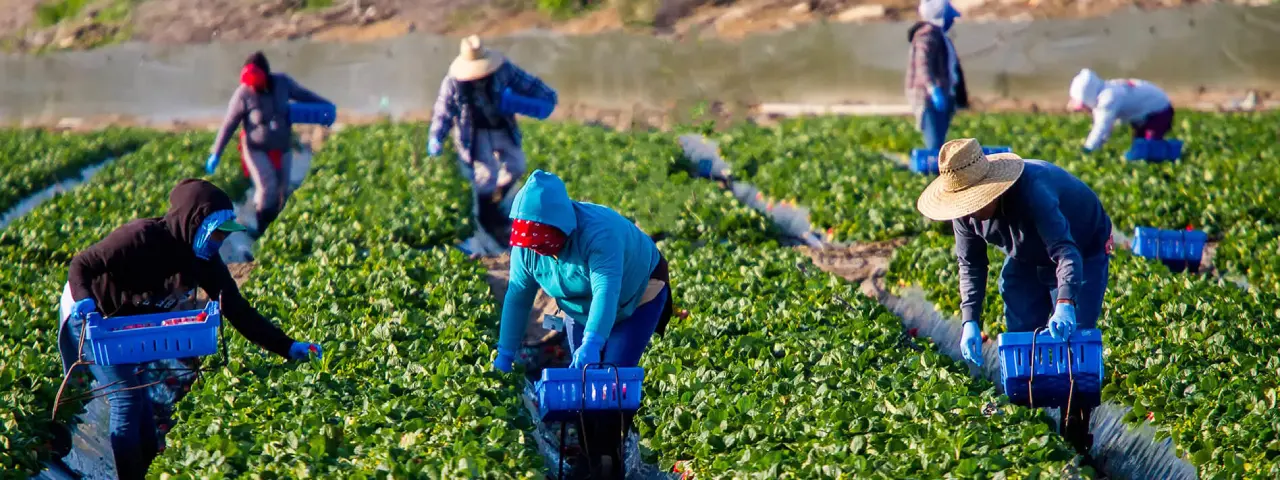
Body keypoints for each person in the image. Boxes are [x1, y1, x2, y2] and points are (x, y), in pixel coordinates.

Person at [57, 179, 322, 480]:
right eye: (217, 234)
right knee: (126, 398)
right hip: (92, 318)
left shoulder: (204, 261)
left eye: (224, 236)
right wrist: (85, 302)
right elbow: (82, 264)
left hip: (128, 326)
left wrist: (288, 347)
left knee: (141, 405)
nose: (219, 243)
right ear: (195, 223)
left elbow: (237, 309)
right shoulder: (141, 238)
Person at [915, 138, 1113, 458]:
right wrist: (970, 320)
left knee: (1074, 338)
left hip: (1081, 246)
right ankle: (1031, 418)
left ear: (991, 188)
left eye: (974, 200)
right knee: (1021, 322)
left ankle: (1075, 428)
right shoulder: (964, 214)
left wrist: (1064, 304)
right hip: (1025, 252)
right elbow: (971, 264)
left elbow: (1065, 252)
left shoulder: (1033, 192)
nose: (970, 210)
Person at [491, 170, 671, 478]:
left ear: (560, 227)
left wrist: (592, 343)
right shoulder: (527, 250)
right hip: (579, 307)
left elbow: (606, 291)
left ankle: (611, 458)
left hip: (637, 295)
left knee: (608, 376)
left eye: (543, 242)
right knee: (583, 386)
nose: (538, 249)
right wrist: (505, 354)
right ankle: (590, 457)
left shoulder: (599, 233)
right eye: (532, 243)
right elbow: (518, 299)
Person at [428, 35, 558, 244]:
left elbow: (528, 83)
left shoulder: (502, 70)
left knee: (517, 165)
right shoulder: (453, 82)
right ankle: (488, 217)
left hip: (501, 127)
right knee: (486, 175)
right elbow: (443, 111)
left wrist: (546, 96)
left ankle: (498, 200)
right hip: (473, 134)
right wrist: (436, 137)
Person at [206, 51, 333, 238]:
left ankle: (276, 229)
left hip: (282, 146)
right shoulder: (243, 94)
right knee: (268, 187)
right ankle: (261, 229)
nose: (254, 88)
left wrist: (325, 106)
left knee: (283, 189)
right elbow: (229, 124)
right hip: (256, 148)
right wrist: (216, 153)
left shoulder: (282, 84)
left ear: (266, 75)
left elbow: (303, 94)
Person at [906, 0, 969, 152]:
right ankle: (934, 173)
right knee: (935, 145)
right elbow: (922, 63)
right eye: (950, 16)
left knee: (940, 142)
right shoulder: (927, 34)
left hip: (942, 95)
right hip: (928, 98)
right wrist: (932, 88)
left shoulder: (940, 36)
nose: (952, 20)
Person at [1069, 68, 1175, 155]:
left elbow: (1101, 127)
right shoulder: (1105, 90)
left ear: (1089, 97)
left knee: (1148, 150)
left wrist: (1088, 149)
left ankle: (1173, 152)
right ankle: (1162, 151)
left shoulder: (1108, 98)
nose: (1084, 110)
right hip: (1143, 115)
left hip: (1159, 112)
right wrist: (1098, 144)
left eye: (1083, 105)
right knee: (1140, 148)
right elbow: (1105, 128)